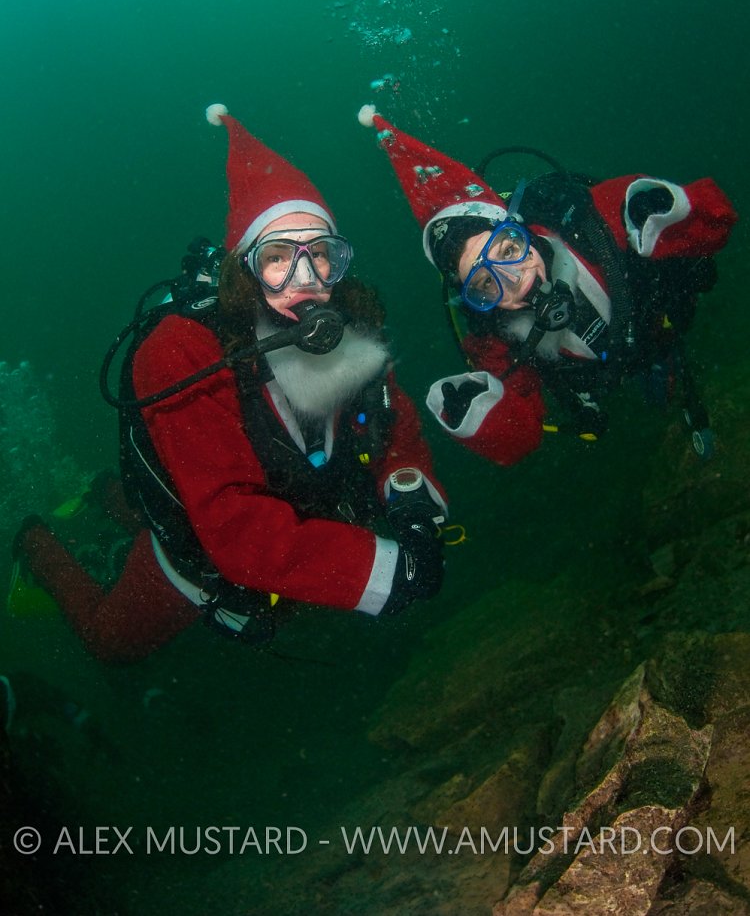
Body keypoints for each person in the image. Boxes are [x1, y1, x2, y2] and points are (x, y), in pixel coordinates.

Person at [13, 104, 447, 662]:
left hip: (296, 522)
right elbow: (233, 526)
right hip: (203, 547)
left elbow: (395, 426)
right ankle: (33, 541)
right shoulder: (180, 352)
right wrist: (385, 572)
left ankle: (105, 495)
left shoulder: (349, 326)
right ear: (244, 269)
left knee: (159, 509)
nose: (306, 279)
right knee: (111, 642)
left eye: (320, 255)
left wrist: (411, 498)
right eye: (278, 258)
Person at [357, 104, 738, 466]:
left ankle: (663, 368)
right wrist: (478, 416)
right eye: (486, 282)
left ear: (523, 230)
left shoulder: (595, 223)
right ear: (474, 298)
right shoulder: (494, 337)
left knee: (667, 351)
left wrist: (668, 212)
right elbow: (519, 432)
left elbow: (717, 219)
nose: (515, 279)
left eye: (508, 249)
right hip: (611, 372)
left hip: (659, 327)